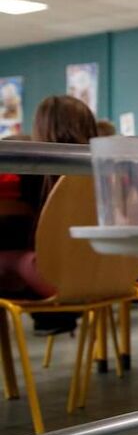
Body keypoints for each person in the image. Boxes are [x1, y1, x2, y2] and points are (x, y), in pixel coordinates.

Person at [0, 97, 97, 335]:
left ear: (39, 128)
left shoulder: (25, 177)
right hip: (112, 278)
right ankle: (52, 318)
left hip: (50, 280)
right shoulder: (109, 175)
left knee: (14, 258)